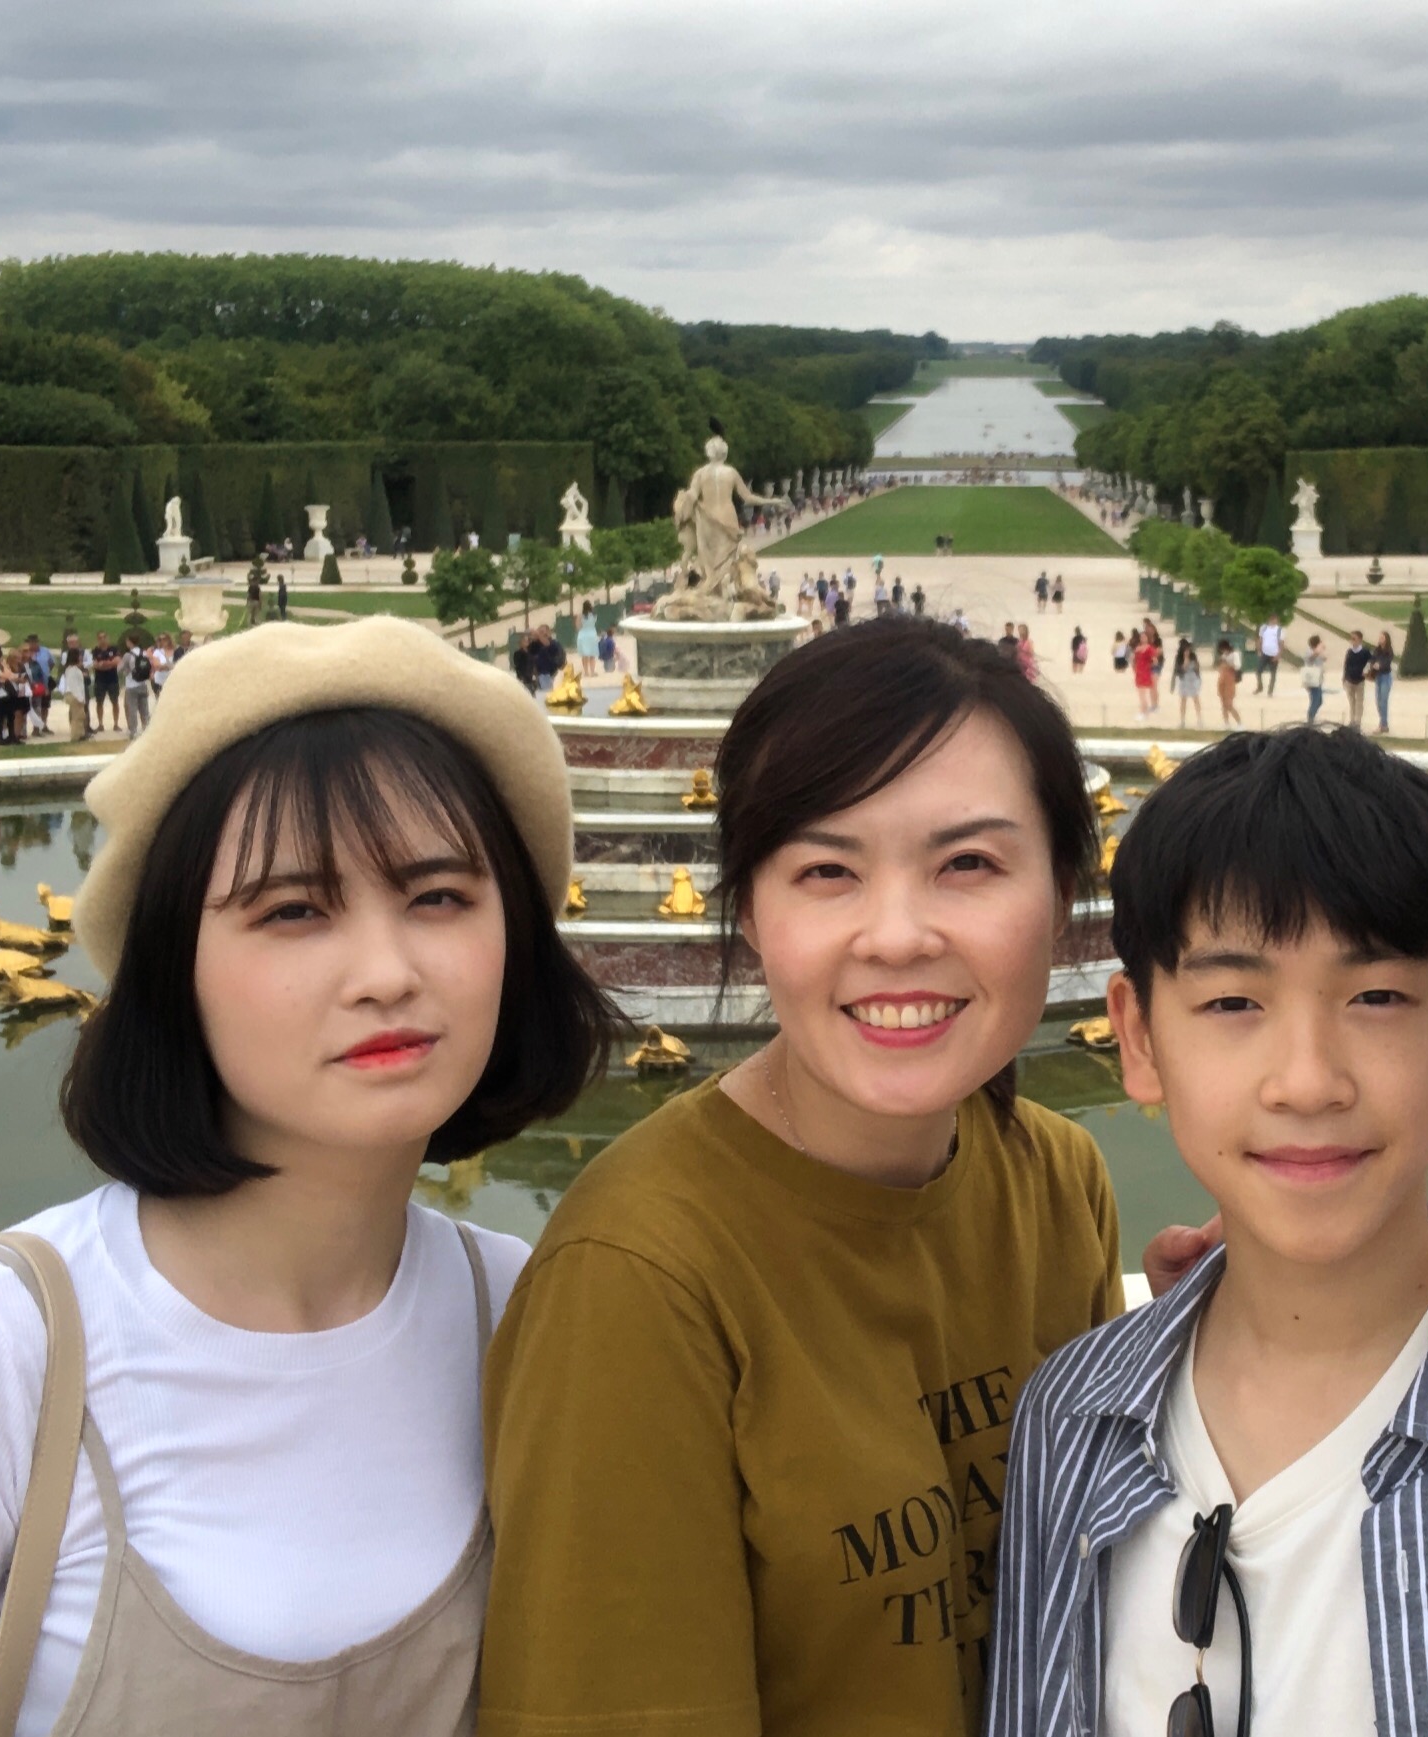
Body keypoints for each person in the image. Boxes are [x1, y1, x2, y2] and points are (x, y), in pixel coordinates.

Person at [0, 617, 622, 1733]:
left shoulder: (519, 1313)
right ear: (170, 967)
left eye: (437, 896)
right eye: (294, 911)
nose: (386, 972)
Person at [479, 618, 1119, 1737]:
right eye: (827, 871)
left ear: (1063, 893)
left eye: (968, 864)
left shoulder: (1059, 1180)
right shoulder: (635, 1279)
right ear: (750, 907)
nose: (896, 936)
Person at [987, 727, 1428, 1737]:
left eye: (1377, 997)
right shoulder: (1072, 1416)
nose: (1307, 1081)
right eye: (1232, 1001)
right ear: (1137, 1037)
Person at [1170, 635, 1203, 728]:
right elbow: (1179, 670)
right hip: (1184, 679)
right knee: (1183, 700)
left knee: (1196, 699)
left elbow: (1197, 668)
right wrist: (1185, 660)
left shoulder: (1193, 656)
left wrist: (1195, 664)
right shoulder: (1179, 657)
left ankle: (1200, 720)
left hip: (1193, 679)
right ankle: (1182, 721)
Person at [1340, 634, 1370, 732]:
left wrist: (1367, 671)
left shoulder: (1365, 652)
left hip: (1360, 680)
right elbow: (1346, 665)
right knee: (1352, 702)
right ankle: (1352, 721)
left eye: (1354, 639)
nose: (1352, 641)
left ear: (1360, 640)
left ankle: (1358, 722)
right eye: (1351, 639)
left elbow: (1370, 662)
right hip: (1349, 680)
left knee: (1359, 702)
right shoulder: (1349, 652)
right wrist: (1344, 677)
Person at [1130, 627, 1161, 718]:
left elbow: (1155, 661)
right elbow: (1134, 660)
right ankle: (1143, 711)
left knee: (1142, 694)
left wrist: (1148, 665)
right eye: (1141, 637)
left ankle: (1144, 712)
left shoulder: (1149, 648)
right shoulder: (1138, 648)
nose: (1143, 639)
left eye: (1144, 637)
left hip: (1145, 672)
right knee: (1141, 694)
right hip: (1139, 671)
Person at [1371, 629, 1397, 732]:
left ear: (1386, 639)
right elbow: (1372, 659)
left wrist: (1380, 665)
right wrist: (1373, 664)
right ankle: (1383, 723)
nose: (1380, 639)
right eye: (1380, 637)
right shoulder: (1376, 650)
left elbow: (1387, 662)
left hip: (1386, 677)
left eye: (1382, 637)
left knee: (1383, 701)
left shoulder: (1389, 651)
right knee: (1378, 701)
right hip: (1378, 676)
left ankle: (1383, 725)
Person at [1213, 635, 1241, 725]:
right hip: (1222, 679)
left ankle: (1239, 723)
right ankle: (1226, 723)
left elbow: (1237, 666)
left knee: (1229, 704)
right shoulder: (1223, 656)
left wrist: (1227, 664)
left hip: (1230, 681)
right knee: (1223, 704)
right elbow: (1219, 667)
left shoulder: (1235, 654)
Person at [1300, 632, 1326, 724]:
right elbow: (1310, 659)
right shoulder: (1309, 651)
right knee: (1316, 699)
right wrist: (1318, 651)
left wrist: (1321, 651)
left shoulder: (1318, 651)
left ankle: (1312, 716)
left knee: (1318, 700)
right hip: (1312, 678)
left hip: (1318, 678)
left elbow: (1324, 658)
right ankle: (1310, 718)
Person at [1255, 617, 1281, 695]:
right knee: (1258, 670)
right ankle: (1260, 686)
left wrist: (1278, 654)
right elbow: (1260, 639)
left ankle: (1270, 690)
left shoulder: (1279, 630)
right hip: (1265, 653)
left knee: (1273, 673)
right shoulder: (1264, 628)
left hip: (1274, 653)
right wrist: (1259, 650)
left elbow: (1281, 642)